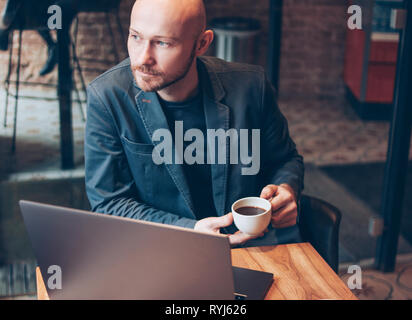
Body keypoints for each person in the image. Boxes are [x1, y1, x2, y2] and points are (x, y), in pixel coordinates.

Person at [85, 0, 304, 247]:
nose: (143, 58)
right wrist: (190, 230)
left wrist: (287, 188)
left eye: (162, 43)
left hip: (252, 246)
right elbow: (109, 204)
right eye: (136, 37)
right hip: (164, 249)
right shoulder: (107, 96)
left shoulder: (252, 86)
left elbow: (285, 159)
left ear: (202, 43)